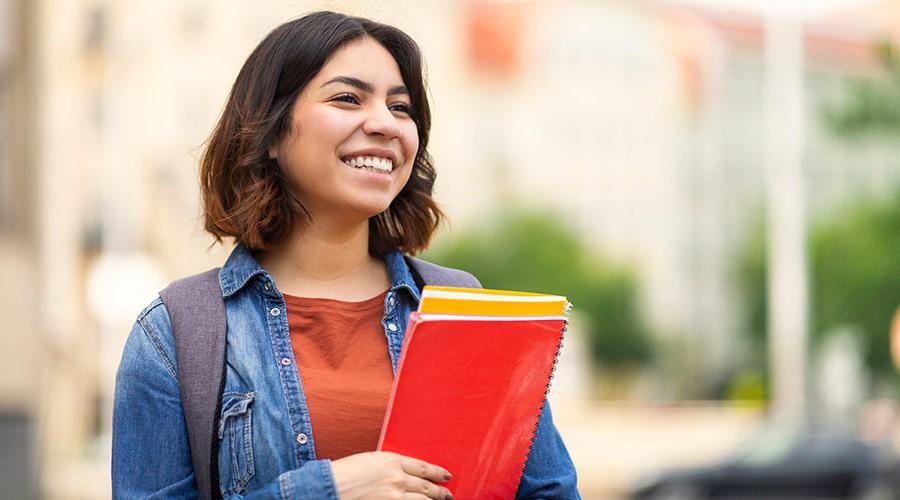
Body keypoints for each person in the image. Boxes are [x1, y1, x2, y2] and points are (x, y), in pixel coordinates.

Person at [112, 11, 579, 499]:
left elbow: (550, 492)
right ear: (270, 132)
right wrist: (326, 491)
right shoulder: (174, 334)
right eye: (347, 98)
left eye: (401, 108)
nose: (384, 123)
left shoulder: (466, 308)